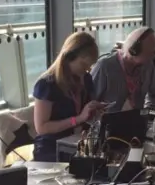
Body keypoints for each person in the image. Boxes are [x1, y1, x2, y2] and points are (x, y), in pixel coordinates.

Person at [32, 32, 105, 161]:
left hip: (78, 143)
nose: (88, 69)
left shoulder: (86, 79)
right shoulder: (47, 85)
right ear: (69, 57)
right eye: (84, 65)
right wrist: (77, 119)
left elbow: (85, 117)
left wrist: (94, 113)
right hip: (51, 148)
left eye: (90, 65)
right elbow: (42, 128)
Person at [91, 26, 155, 112]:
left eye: (154, 53)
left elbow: (153, 95)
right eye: (149, 53)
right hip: (110, 122)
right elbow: (90, 102)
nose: (152, 57)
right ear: (134, 50)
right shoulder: (105, 66)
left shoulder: (148, 65)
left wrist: (147, 114)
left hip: (137, 121)